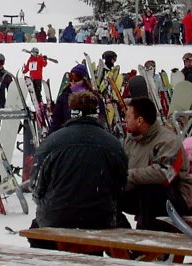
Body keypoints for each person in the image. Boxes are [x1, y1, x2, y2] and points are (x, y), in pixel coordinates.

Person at [30, 90, 128, 242]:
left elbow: (36, 186)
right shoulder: (113, 144)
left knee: (37, 235)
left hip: (55, 217)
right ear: (96, 113)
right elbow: (120, 187)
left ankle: (47, 261)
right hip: (101, 217)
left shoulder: (52, 142)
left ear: (72, 111)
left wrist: (52, 204)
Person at [120, 97, 192, 230]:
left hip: (172, 197)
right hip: (139, 194)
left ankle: (145, 243)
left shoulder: (168, 141)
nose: (125, 121)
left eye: (128, 117)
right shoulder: (131, 140)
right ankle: (118, 238)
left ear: (140, 120)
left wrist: (129, 176)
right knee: (106, 193)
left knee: (150, 192)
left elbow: (165, 174)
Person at [47, 63, 91, 135]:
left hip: (88, 137)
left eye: (76, 78)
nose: (73, 81)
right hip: (69, 137)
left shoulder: (92, 98)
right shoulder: (64, 97)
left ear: (84, 80)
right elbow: (56, 122)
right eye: (71, 77)